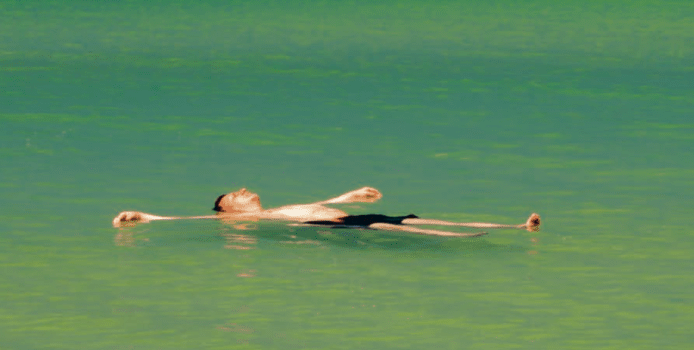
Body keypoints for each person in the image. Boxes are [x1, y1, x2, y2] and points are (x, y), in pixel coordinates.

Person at [112, 186, 541, 237]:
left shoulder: (275, 206)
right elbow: (186, 219)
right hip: (326, 227)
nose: (244, 189)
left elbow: (319, 198)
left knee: (413, 218)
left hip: (337, 214)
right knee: (410, 230)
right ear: (227, 209)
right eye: (234, 193)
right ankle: (459, 238)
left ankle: (514, 225)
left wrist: (350, 195)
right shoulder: (238, 220)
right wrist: (142, 215)